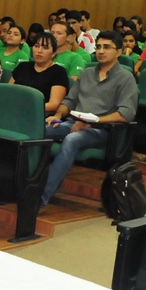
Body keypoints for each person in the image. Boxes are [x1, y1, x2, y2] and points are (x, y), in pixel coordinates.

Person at [41, 31, 138, 207]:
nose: (101, 51)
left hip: (103, 130)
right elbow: (69, 101)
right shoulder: (86, 73)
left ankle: (41, 197)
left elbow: (126, 114)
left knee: (72, 139)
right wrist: (57, 115)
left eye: (107, 47)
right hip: (74, 122)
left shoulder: (126, 78)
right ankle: (22, 185)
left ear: (119, 52)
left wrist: (94, 121)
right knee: (39, 130)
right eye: (98, 47)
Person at [11, 31, 69, 115]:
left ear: (53, 53)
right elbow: (9, 91)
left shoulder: (59, 72)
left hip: (38, 113)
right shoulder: (22, 66)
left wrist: (27, 107)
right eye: (36, 46)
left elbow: (54, 104)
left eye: (45, 48)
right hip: (13, 110)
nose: (39, 51)